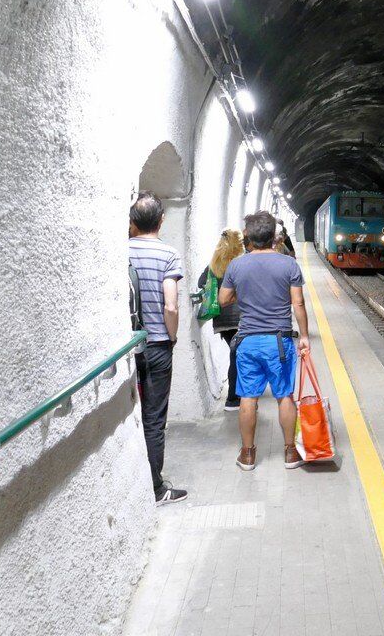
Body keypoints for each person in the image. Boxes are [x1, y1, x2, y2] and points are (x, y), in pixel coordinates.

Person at [218, 210, 310, 470]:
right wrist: (303, 336)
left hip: (247, 341)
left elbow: (223, 300)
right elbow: (298, 303)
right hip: (279, 342)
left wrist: (245, 298)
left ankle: (247, 454)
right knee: (284, 396)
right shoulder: (288, 264)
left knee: (248, 398)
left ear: (247, 236)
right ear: (273, 236)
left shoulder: (237, 264)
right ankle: (290, 452)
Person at [128, 192, 188, 505]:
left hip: (129, 346)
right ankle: (156, 487)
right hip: (158, 346)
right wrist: (172, 336)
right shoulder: (168, 254)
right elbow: (172, 305)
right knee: (154, 417)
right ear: (161, 221)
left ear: (132, 222)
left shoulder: (120, 251)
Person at [197, 229, 244, 411]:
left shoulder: (214, 264)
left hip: (221, 320)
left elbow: (202, 283)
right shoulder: (241, 263)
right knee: (238, 356)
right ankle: (233, 398)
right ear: (238, 244)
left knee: (237, 354)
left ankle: (237, 396)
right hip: (241, 318)